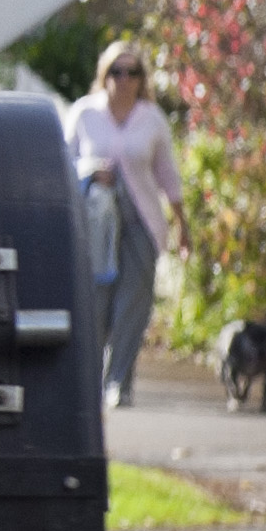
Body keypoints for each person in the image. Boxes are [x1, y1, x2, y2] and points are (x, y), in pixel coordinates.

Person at [65, 42, 182, 405]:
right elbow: (62, 162)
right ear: (105, 75)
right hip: (97, 220)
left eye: (133, 72)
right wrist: (90, 171)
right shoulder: (85, 114)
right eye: (117, 71)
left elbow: (167, 174)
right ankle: (91, 378)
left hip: (141, 220)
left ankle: (120, 382)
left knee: (134, 301)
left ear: (141, 79)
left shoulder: (152, 118)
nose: (124, 79)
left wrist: (182, 224)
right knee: (96, 299)